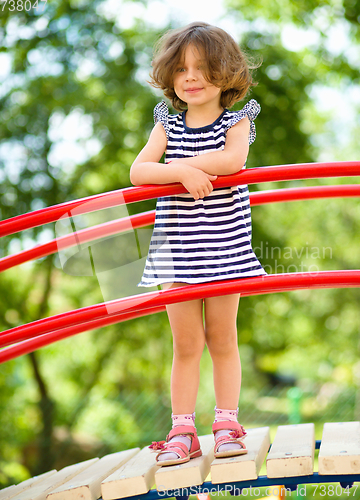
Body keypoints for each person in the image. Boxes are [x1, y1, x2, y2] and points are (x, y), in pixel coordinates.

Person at [130, 21, 266, 466]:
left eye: (203, 68)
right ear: (170, 77)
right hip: (175, 255)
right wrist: (183, 172)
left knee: (222, 338)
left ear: (226, 73)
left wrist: (183, 165)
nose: (191, 77)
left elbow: (233, 161)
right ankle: (181, 429)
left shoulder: (236, 122)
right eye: (182, 69)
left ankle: (227, 422)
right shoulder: (166, 126)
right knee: (186, 345)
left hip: (224, 249)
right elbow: (139, 172)